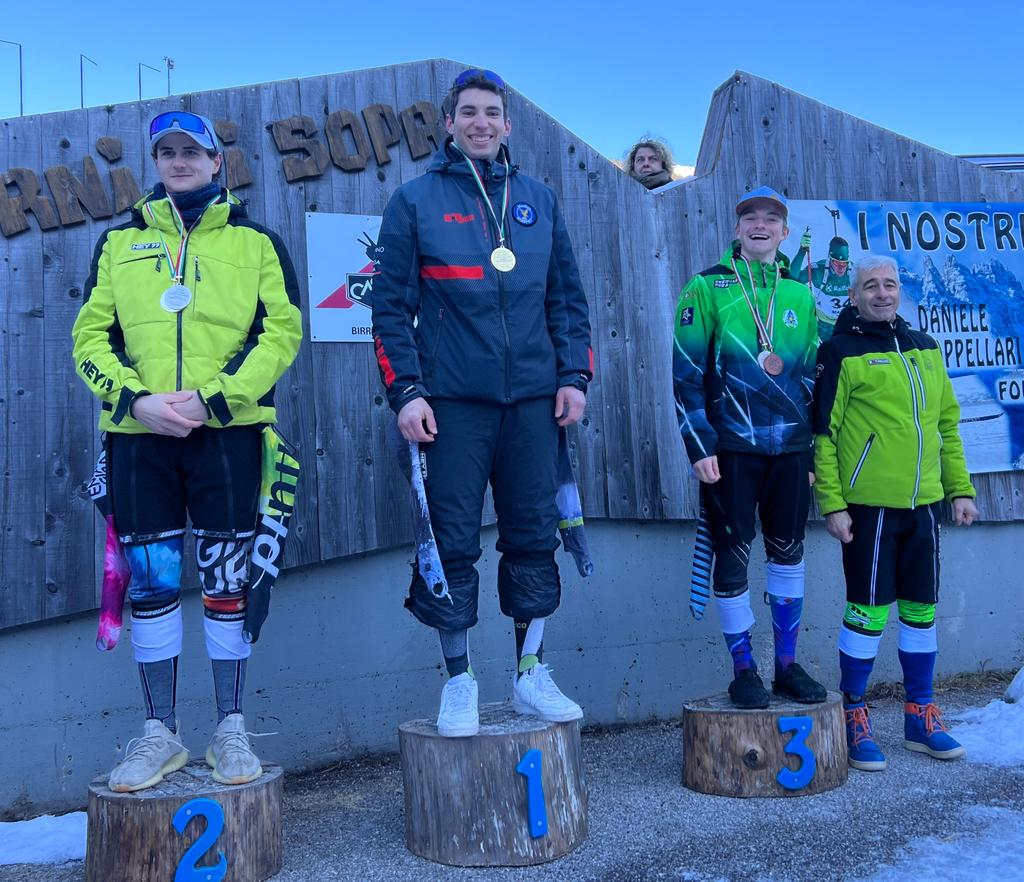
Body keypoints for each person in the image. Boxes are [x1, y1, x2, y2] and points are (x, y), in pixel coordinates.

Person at [71, 111, 302, 791]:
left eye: (191, 151)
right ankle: (160, 733)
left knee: (227, 582)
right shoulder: (119, 243)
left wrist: (213, 400)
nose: (179, 161)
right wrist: (136, 400)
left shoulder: (257, 241)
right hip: (139, 437)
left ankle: (230, 727)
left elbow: (281, 333)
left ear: (215, 161)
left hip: (226, 433)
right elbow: (90, 339)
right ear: (156, 161)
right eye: (166, 151)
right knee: (152, 583)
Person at [371, 68, 593, 737]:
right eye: (468, 112)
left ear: (507, 124)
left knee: (533, 535)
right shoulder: (414, 201)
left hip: (533, 403)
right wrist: (406, 393)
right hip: (451, 404)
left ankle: (530, 672)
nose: (481, 123)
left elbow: (567, 300)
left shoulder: (538, 199)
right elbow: (389, 310)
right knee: (452, 541)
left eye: (492, 113)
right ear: (449, 123)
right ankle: (459, 679)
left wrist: (573, 377)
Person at [812, 255, 976, 771]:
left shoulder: (925, 347)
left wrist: (960, 490)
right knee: (867, 612)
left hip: (924, 507)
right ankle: (854, 713)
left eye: (889, 284)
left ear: (900, 291)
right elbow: (824, 435)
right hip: (869, 510)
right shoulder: (839, 351)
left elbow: (947, 425)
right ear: (854, 296)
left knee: (921, 612)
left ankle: (920, 715)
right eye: (870, 286)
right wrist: (832, 504)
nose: (882, 293)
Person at [673, 186, 826, 709]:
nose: (761, 225)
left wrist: (809, 452)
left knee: (789, 553)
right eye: (750, 218)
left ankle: (786, 665)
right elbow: (686, 374)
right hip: (731, 448)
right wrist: (699, 445)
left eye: (771, 219)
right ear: (737, 229)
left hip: (791, 450)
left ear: (784, 232)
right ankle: (744, 669)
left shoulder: (800, 295)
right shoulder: (707, 286)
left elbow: (811, 377)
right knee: (733, 554)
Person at [791, 233, 853, 342]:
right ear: (830, 259)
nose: (841, 268)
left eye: (844, 263)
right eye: (836, 262)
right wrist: (802, 251)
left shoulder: (854, 272)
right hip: (823, 326)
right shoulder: (819, 272)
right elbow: (792, 279)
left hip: (846, 324)